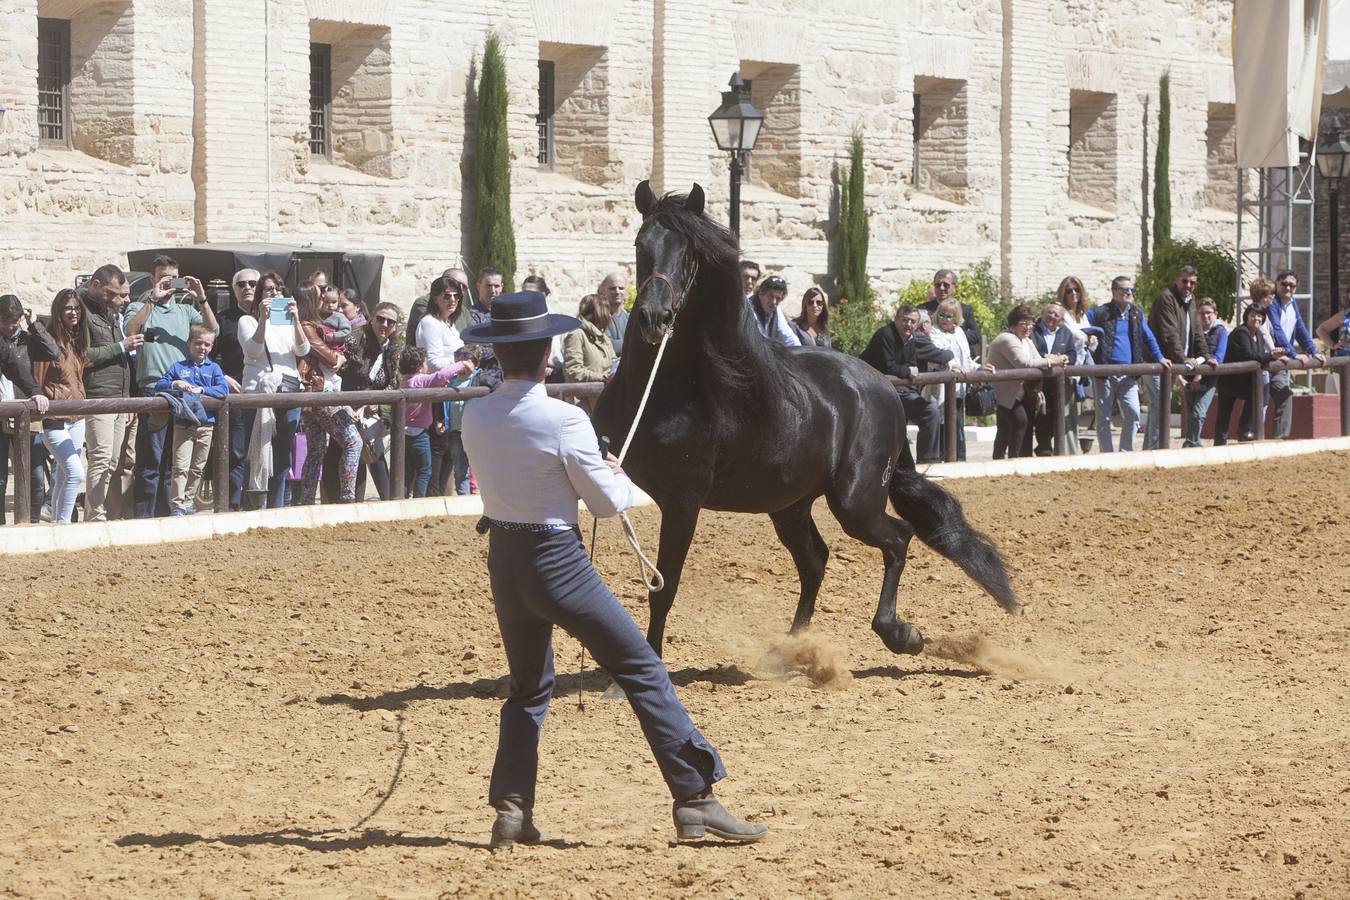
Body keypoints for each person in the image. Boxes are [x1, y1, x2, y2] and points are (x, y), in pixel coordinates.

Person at [460, 291, 766, 848]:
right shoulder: (564, 418)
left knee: (529, 688)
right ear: (546, 351)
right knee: (644, 669)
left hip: (505, 561)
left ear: (499, 353)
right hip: (557, 560)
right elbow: (605, 503)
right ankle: (695, 799)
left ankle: (511, 808)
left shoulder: (474, 413)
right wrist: (614, 473)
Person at [124, 255, 219, 518]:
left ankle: (168, 514)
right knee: (150, 460)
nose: (169, 282)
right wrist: (153, 300)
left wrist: (201, 298)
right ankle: (144, 518)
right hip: (153, 390)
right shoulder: (139, 306)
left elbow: (213, 331)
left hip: (183, 393)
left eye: (173, 277)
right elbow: (131, 329)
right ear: (152, 279)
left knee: (176, 461)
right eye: (163, 277)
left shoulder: (187, 310)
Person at [238, 271, 308, 509]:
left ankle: (276, 509)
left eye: (278, 288)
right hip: (259, 392)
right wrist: (263, 319)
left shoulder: (288, 323)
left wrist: (296, 320)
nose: (275, 293)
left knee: (281, 456)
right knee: (256, 452)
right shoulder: (247, 321)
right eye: (269, 289)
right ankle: (253, 507)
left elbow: (303, 350)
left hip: (288, 390)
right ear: (260, 296)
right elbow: (253, 351)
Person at [77, 264, 140, 521]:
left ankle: (102, 512)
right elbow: (82, 356)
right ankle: (94, 515)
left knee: (113, 461)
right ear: (95, 284)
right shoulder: (79, 311)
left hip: (118, 397)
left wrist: (128, 401)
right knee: (101, 458)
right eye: (111, 293)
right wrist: (120, 347)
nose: (117, 299)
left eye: (120, 295)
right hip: (98, 395)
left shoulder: (109, 312)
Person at [1086, 276, 1170, 452]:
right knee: (1104, 417)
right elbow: (1081, 324)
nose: (1129, 293)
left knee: (1133, 412)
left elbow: (1148, 337)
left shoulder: (1136, 313)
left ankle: (1125, 452)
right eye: (1125, 290)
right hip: (1105, 372)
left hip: (1129, 373)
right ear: (1115, 292)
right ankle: (1107, 454)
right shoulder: (1100, 312)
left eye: (1132, 290)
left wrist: (1160, 357)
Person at [860, 303, 951, 463]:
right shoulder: (885, 335)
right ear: (896, 319)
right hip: (874, 390)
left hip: (900, 389)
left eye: (912, 321)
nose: (908, 324)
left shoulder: (911, 339)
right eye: (905, 320)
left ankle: (928, 461)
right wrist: (907, 371)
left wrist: (907, 370)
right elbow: (888, 366)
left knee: (931, 412)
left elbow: (910, 363)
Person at [295, 289, 362, 506]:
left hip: (316, 391)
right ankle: (347, 498)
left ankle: (306, 501)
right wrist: (340, 358)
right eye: (320, 297)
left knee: (316, 450)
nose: (325, 302)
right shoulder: (308, 326)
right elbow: (332, 359)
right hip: (321, 391)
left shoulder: (308, 325)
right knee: (353, 442)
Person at [153, 324, 228, 515]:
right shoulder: (178, 367)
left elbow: (223, 390)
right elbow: (159, 385)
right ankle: (177, 505)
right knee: (181, 466)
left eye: (207, 344)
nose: (202, 348)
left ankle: (187, 501)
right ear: (189, 344)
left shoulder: (214, 368)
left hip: (206, 424)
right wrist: (175, 383)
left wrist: (202, 390)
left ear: (211, 347)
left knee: (197, 467)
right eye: (198, 343)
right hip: (183, 424)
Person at [0, 294, 55, 524]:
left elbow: (52, 352)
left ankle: (30, 523)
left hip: (22, 411)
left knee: (34, 473)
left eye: (15, 320)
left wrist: (36, 391)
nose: (11, 326)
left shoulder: (25, 339)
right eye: (6, 321)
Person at [339, 301, 403, 501]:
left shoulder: (393, 347)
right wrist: (348, 404)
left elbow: (393, 382)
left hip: (373, 411)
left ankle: (388, 501)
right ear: (372, 318)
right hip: (346, 405)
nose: (384, 324)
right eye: (380, 319)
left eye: (390, 322)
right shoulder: (354, 340)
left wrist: (378, 402)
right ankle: (354, 502)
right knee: (355, 450)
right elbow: (341, 375)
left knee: (374, 451)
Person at [36, 289, 89, 524]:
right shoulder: (47, 341)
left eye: (77, 308)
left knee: (62, 474)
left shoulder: (77, 340)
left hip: (77, 417)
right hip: (54, 417)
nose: (73, 312)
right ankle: (64, 524)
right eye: (68, 308)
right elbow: (37, 380)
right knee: (76, 473)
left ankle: (58, 523)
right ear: (58, 310)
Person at [987, 305, 1066, 460]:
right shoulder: (1006, 338)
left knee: (1004, 428)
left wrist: (1052, 359)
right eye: (1023, 323)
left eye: (1030, 323)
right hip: (1003, 393)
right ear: (1013, 324)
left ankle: (998, 460)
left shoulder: (1026, 341)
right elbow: (1024, 363)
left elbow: (1037, 359)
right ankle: (1014, 459)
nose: (1028, 327)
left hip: (1015, 394)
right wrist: (1053, 361)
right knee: (1020, 421)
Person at [397, 346, 474, 498]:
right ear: (420, 366)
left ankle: (401, 500)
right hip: (420, 434)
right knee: (424, 470)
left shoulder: (404, 382)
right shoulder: (421, 380)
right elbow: (441, 376)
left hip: (404, 434)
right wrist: (462, 364)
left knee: (407, 472)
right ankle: (419, 502)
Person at [1144, 266, 1207, 449]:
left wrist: (1206, 355)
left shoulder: (1190, 300)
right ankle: (1156, 449)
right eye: (1185, 281)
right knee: (1161, 404)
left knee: (1158, 406)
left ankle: (1150, 449)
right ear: (1177, 279)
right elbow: (1169, 333)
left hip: (1173, 363)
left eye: (1192, 282)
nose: (1188, 285)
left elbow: (1196, 331)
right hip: (1158, 361)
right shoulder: (1167, 298)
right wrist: (1183, 358)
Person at [417, 275, 468, 497]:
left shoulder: (450, 325)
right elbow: (434, 361)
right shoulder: (430, 322)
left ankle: (437, 496)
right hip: (437, 394)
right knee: (438, 450)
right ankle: (432, 497)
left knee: (449, 450)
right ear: (436, 298)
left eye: (456, 296)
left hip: (452, 392)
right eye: (446, 296)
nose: (452, 300)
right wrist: (461, 364)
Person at [1213, 303, 1286, 445]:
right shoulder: (1241, 332)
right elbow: (1249, 354)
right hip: (1229, 380)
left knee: (1254, 397)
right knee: (1225, 411)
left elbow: (1257, 355)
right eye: (1252, 315)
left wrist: (1272, 355)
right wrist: (1271, 356)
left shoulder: (1258, 334)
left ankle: (1245, 431)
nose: (1256, 318)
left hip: (1244, 380)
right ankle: (1220, 442)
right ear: (1246, 317)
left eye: (1259, 315)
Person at [218, 268, 259, 510]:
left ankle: (261, 503)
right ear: (234, 290)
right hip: (238, 392)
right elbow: (208, 354)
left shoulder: (271, 317)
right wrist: (222, 377)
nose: (247, 288)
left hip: (268, 391)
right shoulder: (223, 319)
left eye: (253, 283)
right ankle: (233, 504)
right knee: (237, 451)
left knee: (265, 451)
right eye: (241, 284)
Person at [1265, 270, 1323, 438]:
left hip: (1281, 361)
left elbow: (1300, 328)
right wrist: (1293, 353)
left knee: (1284, 397)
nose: (1288, 288)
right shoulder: (1272, 303)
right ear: (1277, 284)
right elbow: (1276, 330)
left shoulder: (1292, 303)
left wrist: (1313, 351)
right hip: (1267, 358)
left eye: (1292, 285)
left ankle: (1279, 440)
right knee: (1256, 401)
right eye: (1284, 284)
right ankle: (1249, 438)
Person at [1053, 276, 1100, 453]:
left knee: (1076, 413)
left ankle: (1072, 451)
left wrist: (1090, 338)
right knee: (1066, 413)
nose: (1073, 293)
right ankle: (1067, 452)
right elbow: (1076, 337)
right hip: (1067, 367)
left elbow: (1091, 342)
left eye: (1076, 289)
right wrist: (1087, 337)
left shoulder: (1082, 315)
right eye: (1069, 290)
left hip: (1081, 369)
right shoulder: (1062, 314)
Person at [1030, 302, 1077, 456]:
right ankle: (1043, 448)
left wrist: (1063, 358)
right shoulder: (1033, 330)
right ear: (1043, 313)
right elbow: (1030, 349)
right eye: (1049, 312)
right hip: (1036, 380)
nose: (1052, 317)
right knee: (1039, 415)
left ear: (1061, 319)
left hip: (1057, 383)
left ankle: (1052, 449)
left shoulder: (1066, 333)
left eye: (1056, 315)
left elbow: (1072, 354)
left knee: (1055, 415)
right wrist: (1046, 357)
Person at [1181, 299, 1228, 447]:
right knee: (1190, 414)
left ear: (1215, 314)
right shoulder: (1192, 331)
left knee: (1198, 413)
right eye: (1202, 313)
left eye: (1208, 313)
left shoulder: (1221, 331)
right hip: (1189, 376)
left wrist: (1202, 371)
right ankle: (1191, 444)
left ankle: (1192, 443)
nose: (1205, 316)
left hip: (1209, 379)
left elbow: (1219, 356)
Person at [562, 293, 618, 411]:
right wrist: (601, 377)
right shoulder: (577, 335)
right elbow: (572, 371)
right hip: (584, 407)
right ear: (600, 312)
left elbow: (613, 362)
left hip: (605, 403)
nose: (610, 315)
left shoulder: (604, 339)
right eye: (607, 310)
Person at [407, 267, 471, 348]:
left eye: (464, 287)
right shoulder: (424, 305)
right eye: (456, 284)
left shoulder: (463, 311)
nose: (460, 289)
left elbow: (473, 337)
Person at [920, 269, 980, 356]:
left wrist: (953, 332)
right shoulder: (923, 309)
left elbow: (976, 335)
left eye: (946, 285)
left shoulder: (965, 309)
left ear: (954, 288)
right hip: (934, 356)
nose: (941, 288)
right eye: (938, 285)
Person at [1313, 286, 1350, 395]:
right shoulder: (1345, 315)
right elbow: (1321, 330)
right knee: (1346, 402)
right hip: (1344, 364)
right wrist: (1333, 345)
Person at [747, 275, 802, 347]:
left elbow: (788, 338)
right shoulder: (749, 309)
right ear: (761, 294)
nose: (774, 302)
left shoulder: (776, 309)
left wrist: (800, 353)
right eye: (770, 296)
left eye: (778, 298)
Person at [598, 271, 629, 355]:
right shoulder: (598, 317)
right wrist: (633, 342)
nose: (617, 291)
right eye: (612, 288)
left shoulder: (630, 319)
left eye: (621, 288)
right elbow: (608, 346)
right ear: (602, 290)